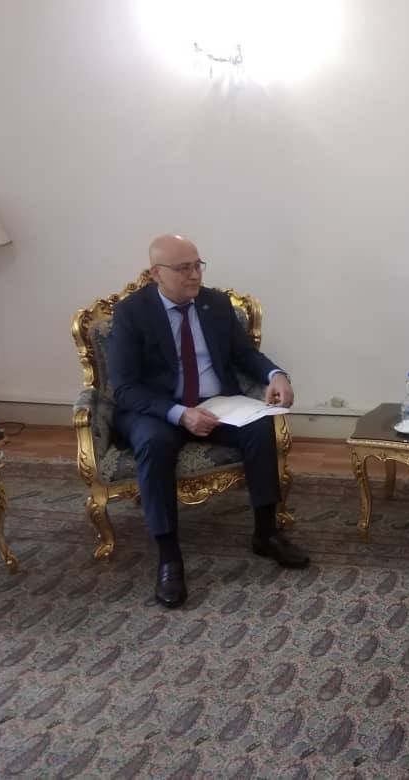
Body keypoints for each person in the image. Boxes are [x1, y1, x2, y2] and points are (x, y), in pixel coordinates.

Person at [109, 234, 310, 608]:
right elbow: (124, 388)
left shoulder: (215, 304)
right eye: (183, 268)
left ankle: (266, 534)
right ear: (156, 273)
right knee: (154, 444)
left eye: (198, 265)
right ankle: (169, 557)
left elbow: (245, 354)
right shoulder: (131, 313)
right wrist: (180, 414)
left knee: (261, 428)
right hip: (159, 410)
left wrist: (276, 375)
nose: (194, 275)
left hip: (217, 404)